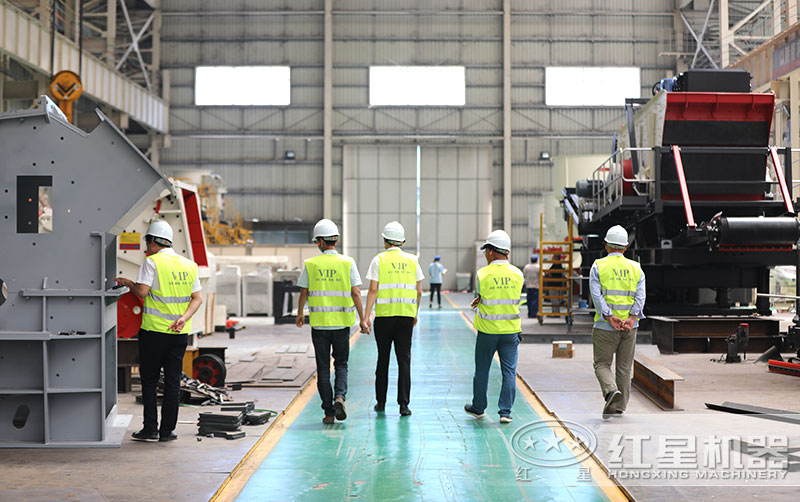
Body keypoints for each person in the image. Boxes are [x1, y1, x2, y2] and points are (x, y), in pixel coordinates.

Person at [116, 220, 202, 442]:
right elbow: (197, 298)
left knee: (149, 381)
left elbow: (142, 292)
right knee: (173, 382)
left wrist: (128, 282)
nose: (147, 247)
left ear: (153, 241)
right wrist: (183, 318)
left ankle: (150, 428)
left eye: (147, 242)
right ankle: (167, 432)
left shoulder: (152, 262)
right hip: (179, 334)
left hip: (154, 333)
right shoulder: (189, 265)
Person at [296, 219, 368, 425]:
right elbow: (356, 292)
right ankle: (340, 397)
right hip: (342, 324)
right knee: (342, 364)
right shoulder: (348, 263)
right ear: (335, 240)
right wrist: (363, 319)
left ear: (319, 241)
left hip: (319, 325)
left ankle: (328, 412)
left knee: (323, 369)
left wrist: (300, 313)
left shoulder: (311, 264)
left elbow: (304, 291)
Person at [364, 221, 424, 417]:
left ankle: (381, 402)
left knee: (383, 359)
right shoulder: (413, 260)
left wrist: (366, 316)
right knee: (404, 360)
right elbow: (419, 292)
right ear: (402, 241)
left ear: (385, 240)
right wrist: (414, 313)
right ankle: (404, 405)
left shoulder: (378, 260)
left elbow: (373, 289)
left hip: (384, 317)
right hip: (405, 317)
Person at [464, 230, 523, 424]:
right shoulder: (517, 274)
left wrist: (479, 300)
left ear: (491, 252)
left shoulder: (482, 273)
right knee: (509, 372)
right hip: (511, 332)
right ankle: (505, 412)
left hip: (487, 332)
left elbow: (482, 296)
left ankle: (479, 408)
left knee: (482, 370)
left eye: (486, 251)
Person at [589, 225, 646, 419]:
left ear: (606, 246)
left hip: (606, 326)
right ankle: (620, 407)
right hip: (630, 327)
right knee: (624, 368)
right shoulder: (636, 267)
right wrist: (632, 318)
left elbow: (596, 296)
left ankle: (610, 391)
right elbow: (640, 296)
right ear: (625, 247)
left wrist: (608, 316)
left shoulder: (598, 266)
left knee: (602, 364)